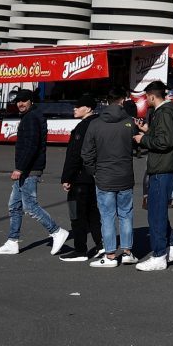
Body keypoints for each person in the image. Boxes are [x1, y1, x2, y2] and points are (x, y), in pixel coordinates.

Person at [0, 89, 68, 256]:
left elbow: (32, 146)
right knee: (14, 205)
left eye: (24, 101)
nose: (20, 104)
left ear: (31, 101)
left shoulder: (32, 118)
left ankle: (56, 231)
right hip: (27, 168)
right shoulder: (30, 116)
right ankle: (12, 241)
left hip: (29, 169)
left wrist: (20, 168)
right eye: (18, 101)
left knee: (29, 206)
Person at [82, 89, 139, 268]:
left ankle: (110, 255)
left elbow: (86, 152)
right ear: (122, 101)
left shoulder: (96, 123)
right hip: (124, 174)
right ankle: (128, 252)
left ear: (107, 102)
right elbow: (136, 146)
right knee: (126, 214)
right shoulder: (129, 122)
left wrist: (93, 170)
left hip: (104, 175)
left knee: (107, 216)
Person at [133, 81, 173, 271]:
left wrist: (143, 139)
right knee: (157, 210)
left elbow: (164, 141)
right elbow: (164, 136)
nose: (146, 101)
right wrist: (149, 131)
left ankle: (159, 255)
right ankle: (171, 247)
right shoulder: (168, 111)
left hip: (163, 168)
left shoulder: (164, 112)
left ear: (153, 96)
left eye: (147, 97)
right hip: (164, 166)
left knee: (156, 213)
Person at [58, 98, 102, 263]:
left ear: (88, 108)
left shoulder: (83, 127)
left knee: (76, 213)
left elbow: (74, 154)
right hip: (93, 176)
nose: (74, 109)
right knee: (92, 213)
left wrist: (66, 177)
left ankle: (80, 249)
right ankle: (101, 244)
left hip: (79, 176)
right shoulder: (98, 123)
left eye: (78, 106)